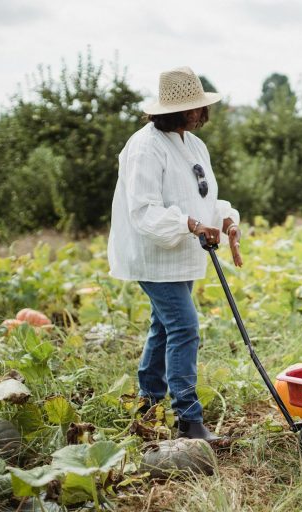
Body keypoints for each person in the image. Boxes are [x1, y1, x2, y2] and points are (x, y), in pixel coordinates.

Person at [108, 66, 242, 442]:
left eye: (201, 106)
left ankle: (148, 402)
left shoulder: (193, 145)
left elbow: (203, 198)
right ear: (170, 109)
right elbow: (144, 210)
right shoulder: (145, 146)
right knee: (184, 326)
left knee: (164, 326)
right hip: (151, 253)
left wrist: (226, 220)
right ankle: (188, 419)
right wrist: (191, 225)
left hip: (182, 252)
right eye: (192, 107)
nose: (200, 113)